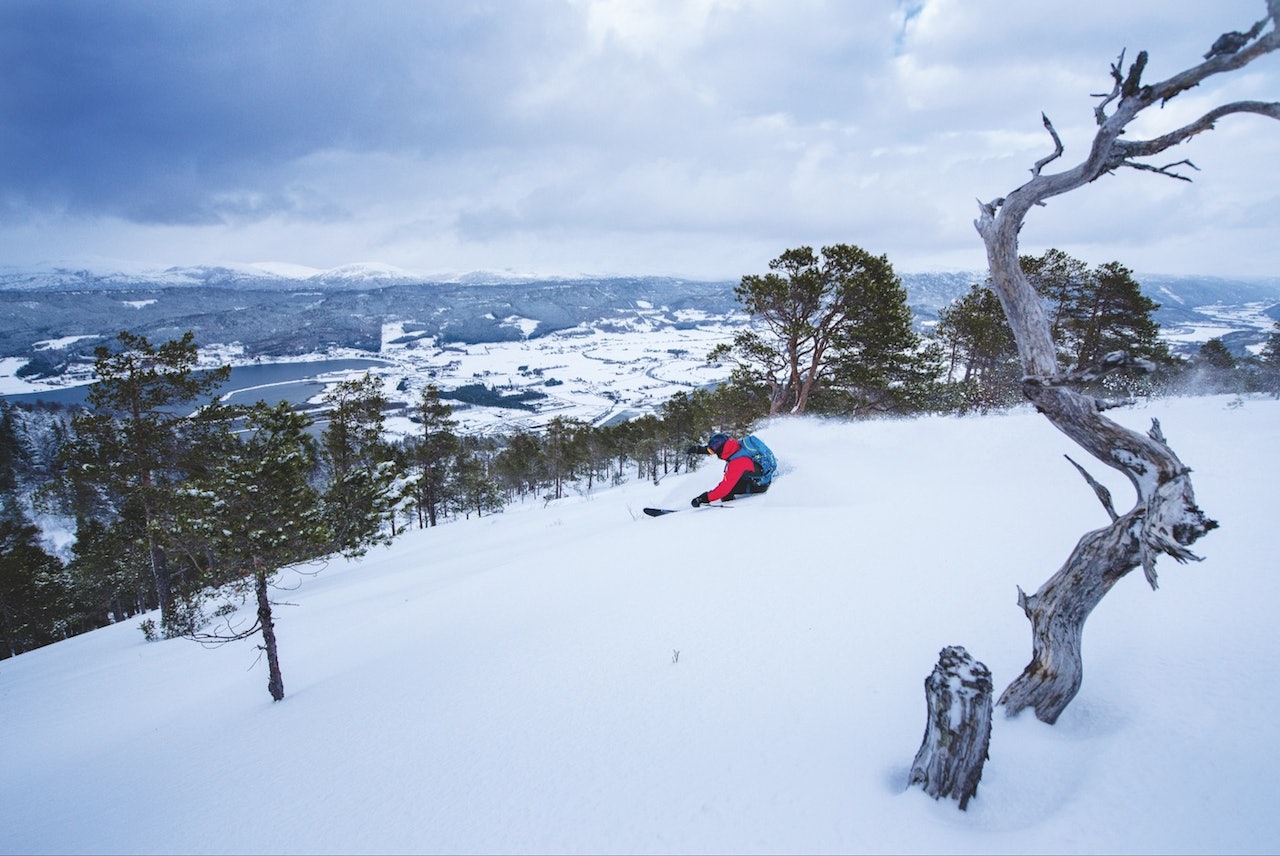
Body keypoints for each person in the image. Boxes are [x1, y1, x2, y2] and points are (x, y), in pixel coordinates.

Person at [687, 432, 771, 507]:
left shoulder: (737, 463)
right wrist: (700, 450)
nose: (713, 453)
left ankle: (730, 514)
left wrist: (702, 498)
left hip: (761, 485)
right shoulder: (736, 446)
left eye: (712, 451)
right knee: (732, 482)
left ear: (719, 450)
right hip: (760, 474)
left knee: (728, 491)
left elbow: (723, 490)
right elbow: (718, 448)